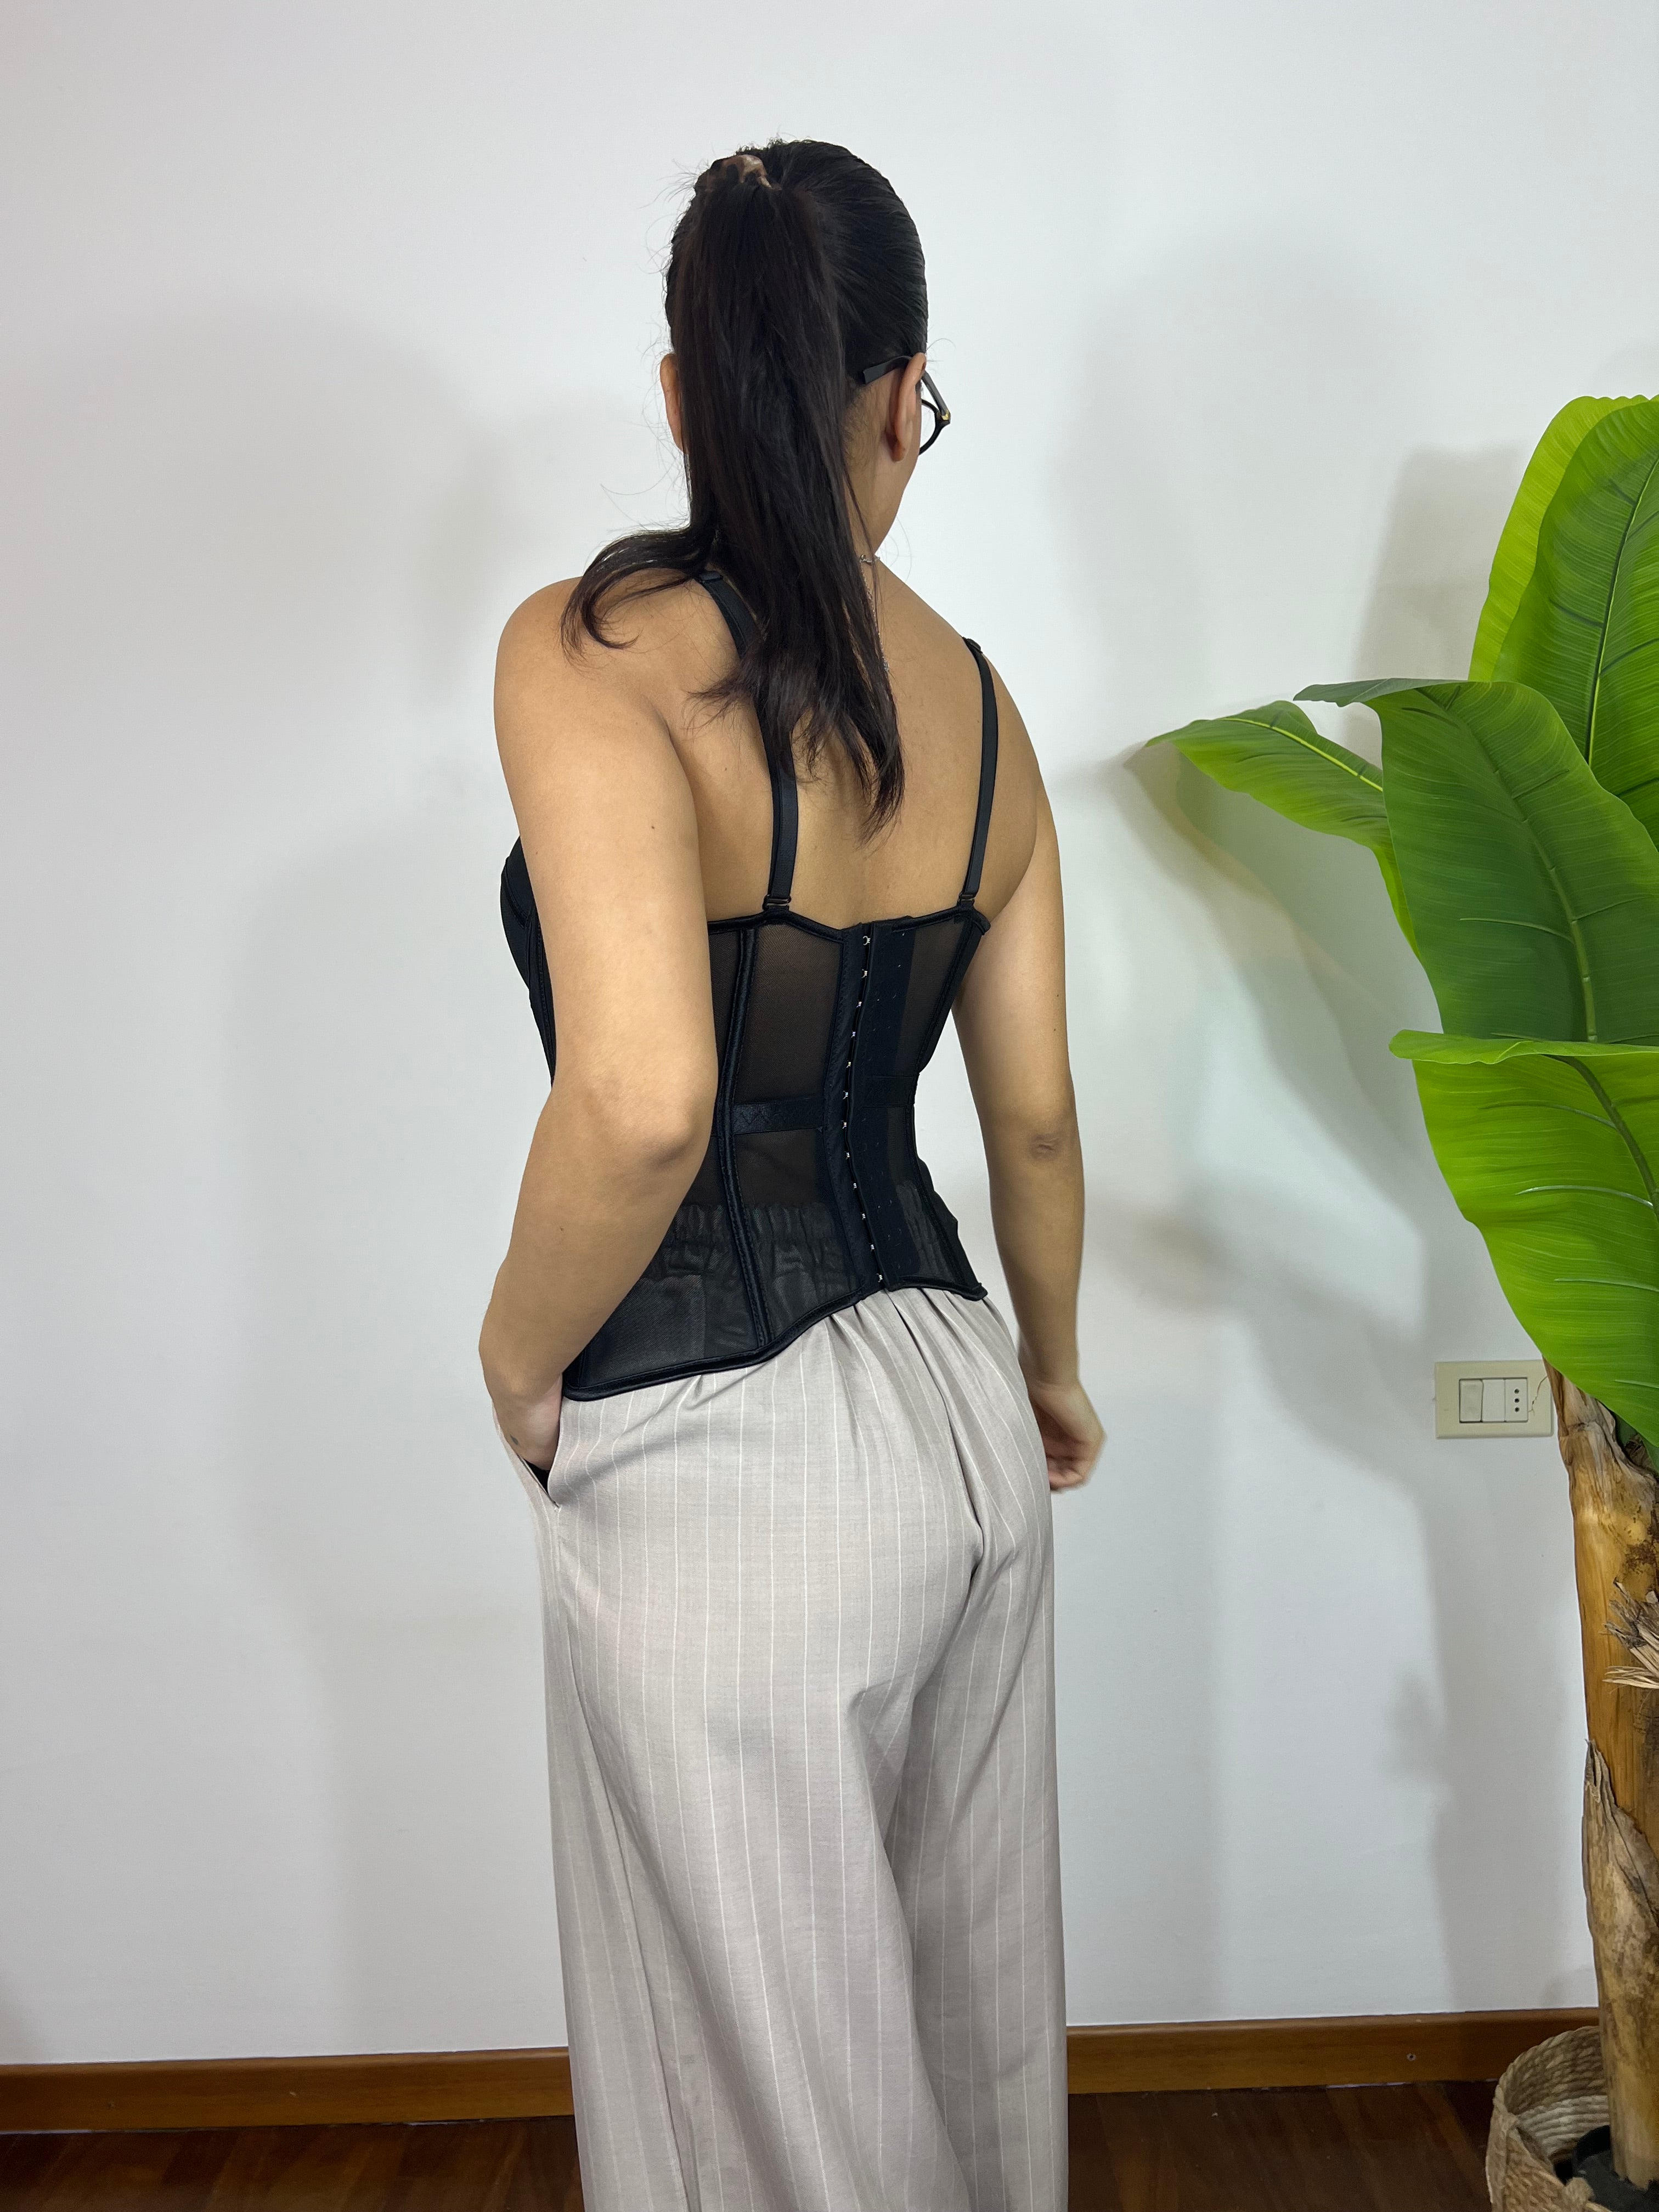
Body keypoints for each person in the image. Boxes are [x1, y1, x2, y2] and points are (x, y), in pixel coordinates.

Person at [478, 136, 1103, 2212]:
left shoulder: (592, 650)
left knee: (761, 2118)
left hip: (725, 1455)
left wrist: (516, 1360)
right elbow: (1033, 1123)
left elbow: (644, 1098)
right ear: (904, 393)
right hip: (956, 1411)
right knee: (969, 2041)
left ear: (682, 386)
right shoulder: (982, 707)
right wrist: (1050, 1372)